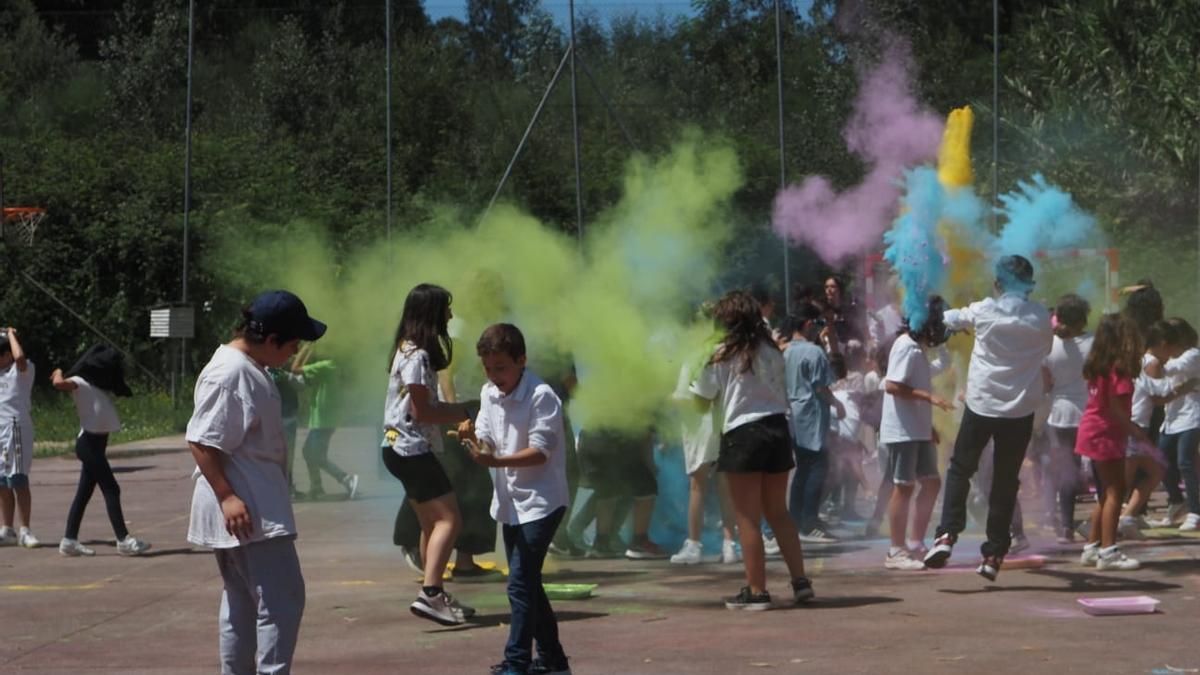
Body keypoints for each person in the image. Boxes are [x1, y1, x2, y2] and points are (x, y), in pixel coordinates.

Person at [186, 290, 321, 673]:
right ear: (272, 339)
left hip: (250, 507)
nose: (293, 354)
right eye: (292, 345)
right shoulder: (230, 372)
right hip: (247, 509)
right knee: (281, 601)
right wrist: (228, 497)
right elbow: (201, 440)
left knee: (243, 603)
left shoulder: (248, 366)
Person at [923, 255, 1053, 581]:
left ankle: (946, 534)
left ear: (997, 284)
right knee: (1005, 481)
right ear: (1029, 285)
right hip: (1020, 410)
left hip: (982, 405)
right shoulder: (1039, 315)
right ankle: (994, 553)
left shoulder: (984, 310)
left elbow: (947, 318)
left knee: (960, 469)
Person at [458, 323, 572, 675]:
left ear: (522, 361)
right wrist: (476, 443)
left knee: (520, 584)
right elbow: (487, 436)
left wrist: (494, 460)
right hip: (509, 504)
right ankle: (553, 662)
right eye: (489, 369)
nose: (495, 376)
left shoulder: (542, 396)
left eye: (502, 368)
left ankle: (516, 663)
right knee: (529, 584)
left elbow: (539, 452)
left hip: (542, 503)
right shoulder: (489, 394)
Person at [691, 290, 814, 610]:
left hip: (743, 434)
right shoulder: (771, 349)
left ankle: (757, 591)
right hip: (777, 430)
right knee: (778, 512)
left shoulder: (719, 353)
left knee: (747, 517)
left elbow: (702, 399)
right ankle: (801, 582)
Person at [380, 283, 476, 625]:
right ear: (431, 314)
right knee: (451, 520)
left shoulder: (405, 349)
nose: (450, 315)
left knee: (430, 522)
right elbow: (423, 411)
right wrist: (464, 412)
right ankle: (431, 593)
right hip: (411, 449)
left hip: (399, 448)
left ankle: (435, 590)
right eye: (446, 309)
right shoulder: (418, 356)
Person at [53, 344, 151, 557]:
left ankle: (69, 540)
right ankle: (124, 540)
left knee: (83, 493)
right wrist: (60, 371)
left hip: (96, 445)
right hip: (88, 445)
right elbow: (59, 383)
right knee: (111, 489)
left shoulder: (96, 387)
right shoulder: (79, 382)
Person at [879, 298, 953, 570]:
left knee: (932, 483)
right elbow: (892, 385)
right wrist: (930, 398)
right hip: (902, 432)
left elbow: (937, 367)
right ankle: (896, 551)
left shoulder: (918, 349)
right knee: (904, 487)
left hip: (917, 430)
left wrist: (928, 426)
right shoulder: (906, 347)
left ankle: (915, 541)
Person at [1076, 314, 1152, 571]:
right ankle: (1109, 551)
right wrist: (1137, 432)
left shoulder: (1099, 364)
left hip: (1094, 431)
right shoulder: (1119, 369)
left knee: (1105, 494)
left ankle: (1093, 547)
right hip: (1106, 434)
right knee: (1115, 492)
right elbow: (1118, 411)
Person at [1121, 321, 1191, 538]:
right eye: (1171, 349)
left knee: (1153, 470)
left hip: (1134, 425)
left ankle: (1127, 516)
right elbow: (1158, 397)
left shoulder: (1141, 360)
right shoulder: (1153, 364)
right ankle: (1109, 522)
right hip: (1135, 426)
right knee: (1126, 479)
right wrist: (1184, 388)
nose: (1171, 356)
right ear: (1163, 344)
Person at [670, 347, 738, 565]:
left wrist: (670, 398)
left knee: (697, 486)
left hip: (699, 425)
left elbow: (684, 398)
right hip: (725, 424)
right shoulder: (730, 354)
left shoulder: (695, 356)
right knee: (725, 487)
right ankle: (730, 546)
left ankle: (693, 545)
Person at [784, 304, 845, 544]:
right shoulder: (814, 352)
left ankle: (797, 520)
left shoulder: (786, 351)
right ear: (808, 324)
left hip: (793, 418)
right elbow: (821, 387)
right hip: (811, 417)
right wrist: (837, 404)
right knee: (818, 467)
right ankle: (810, 522)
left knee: (803, 469)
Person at [1041, 294, 1093, 542]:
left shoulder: (1047, 345)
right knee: (1100, 470)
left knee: (1067, 472)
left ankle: (1066, 528)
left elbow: (1045, 384)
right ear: (1083, 319)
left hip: (1059, 414)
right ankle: (1103, 522)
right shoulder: (1094, 342)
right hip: (1090, 412)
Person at [292, 348, 358, 500]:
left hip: (323, 419)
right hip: (325, 418)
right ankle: (316, 487)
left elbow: (295, 368)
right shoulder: (331, 366)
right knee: (309, 452)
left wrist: (308, 347)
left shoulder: (325, 366)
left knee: (315, 454)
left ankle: (346, 478)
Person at [1156, 318, 1200, 531]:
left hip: (1192, 415)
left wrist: (1152, 357)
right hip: (1171, 418)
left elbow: (1172, 369)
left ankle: (1195, 511)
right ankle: (1176, 501)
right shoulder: (1168, 358)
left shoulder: (1192, 354)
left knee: (1185, 462)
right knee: (1161, 460)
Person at [0, 327, 38, 548]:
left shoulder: (21, 371)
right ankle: (8, 529)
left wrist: (11, 334)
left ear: (6, 355)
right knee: (2, 482)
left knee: (18, 479)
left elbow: (20, 358)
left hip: (16, 430)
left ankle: (26, 529)